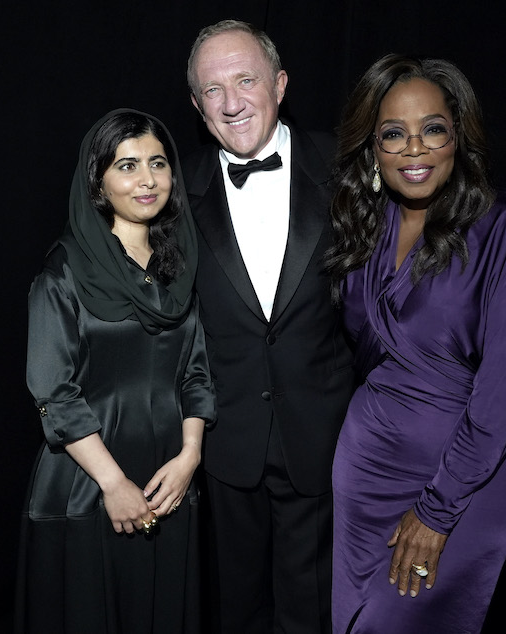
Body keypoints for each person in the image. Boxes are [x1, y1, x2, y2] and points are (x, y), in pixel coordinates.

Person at [324, 54, 506, 633]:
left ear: (459, 136)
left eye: (432, 129)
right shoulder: (363, 226)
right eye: (393, 135)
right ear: (372, 150)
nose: (414, 149)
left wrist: (437, 509)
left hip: (465, 481)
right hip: (365, 475)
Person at [182, 19, 356, 634]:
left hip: (324, 438)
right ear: (197, 106)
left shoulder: (348, 168)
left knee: (313, 613)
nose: (231, 104)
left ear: (280, 84)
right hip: (226, 445)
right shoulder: (175, 190)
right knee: (233, 611)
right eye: (211, 90)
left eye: (246, 80)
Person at [15, 108, 216, 634]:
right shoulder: (63, 271)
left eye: (158, 163)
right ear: (98, 180)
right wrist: (113, 483)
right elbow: (53, 392)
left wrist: (190, 458)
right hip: (90, 482)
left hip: (169, 481)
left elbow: (196, 374)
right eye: (127, 166)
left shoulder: (179, 265)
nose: (148, 180)